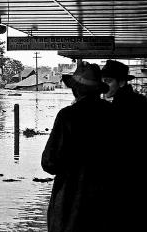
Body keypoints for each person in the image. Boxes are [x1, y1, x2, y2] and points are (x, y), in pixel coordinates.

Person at [41, 62, 116, 232]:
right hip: (106, 205)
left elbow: (49, 163)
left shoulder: (68, 116)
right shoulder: (114, 115)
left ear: (76, 90)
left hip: (70, 206)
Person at [101, 60, 147, 232]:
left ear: (121, 82)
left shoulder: (122, 106)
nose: (104, 87)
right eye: (103, 82)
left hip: (132, 182)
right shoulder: (137, 101)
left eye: (108, 81)